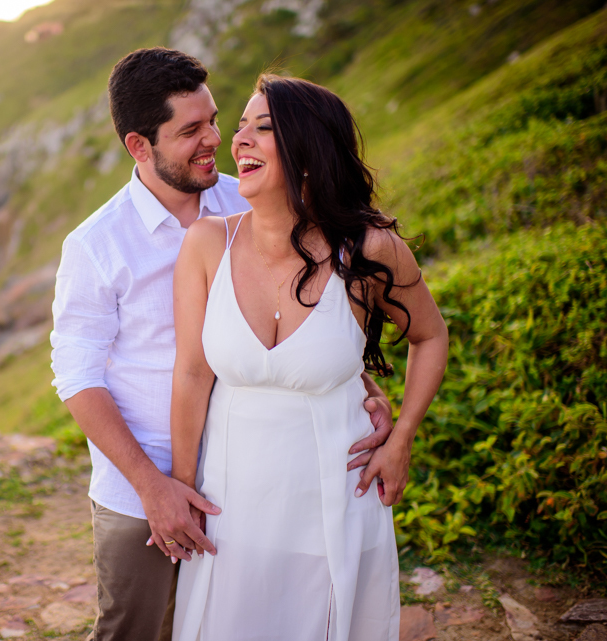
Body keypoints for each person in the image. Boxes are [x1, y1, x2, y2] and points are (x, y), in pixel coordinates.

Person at [50, 50, 396, 641]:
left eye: (213, 119)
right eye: (190, 131)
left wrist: (356, 383)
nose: (215, 138)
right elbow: (77, 378)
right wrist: (153, 485)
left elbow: (311, 308)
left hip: (248, 481)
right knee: (136, 631)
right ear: (139, 146)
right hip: (146, 483)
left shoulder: (254, 199)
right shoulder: (95, 246)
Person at [163, 74, 450, 640]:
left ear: (310, 153)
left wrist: (402, 438)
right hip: (230, 506)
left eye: (262, 127)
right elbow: (192, 374)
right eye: (239, 126)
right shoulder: (205, 244)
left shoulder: (370, 251)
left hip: (335, 501)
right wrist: (181, 487)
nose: (238, 139)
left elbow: (430, 337)